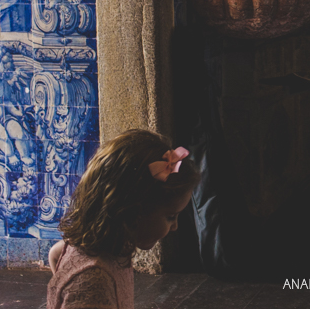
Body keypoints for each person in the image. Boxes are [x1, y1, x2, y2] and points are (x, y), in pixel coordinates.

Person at [47, 129, 200, 309]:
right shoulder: (94, 282)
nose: (175, 226)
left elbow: (56, 253)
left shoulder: (114, 246)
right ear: (131, 212)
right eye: (170, 217)